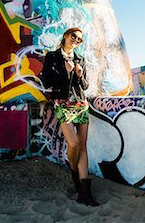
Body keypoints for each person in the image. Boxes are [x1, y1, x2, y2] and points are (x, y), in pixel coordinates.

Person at [41, 27, 99, 206]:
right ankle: (74, 170)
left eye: (79, 39)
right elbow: (46, 81)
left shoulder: (80, 59)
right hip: (62, 103)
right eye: (74, 36)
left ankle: (85, 192)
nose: (76, 40)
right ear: (65, 36)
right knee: (73, 143)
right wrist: (64, 72)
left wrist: (80, 75)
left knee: (82, 146)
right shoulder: (52, 57)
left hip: (81, 104)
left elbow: (85, 85)